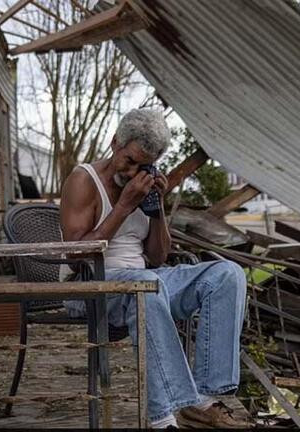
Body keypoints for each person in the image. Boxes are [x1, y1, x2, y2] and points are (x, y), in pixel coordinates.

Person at [60, 109, 249, 428]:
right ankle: (163, 418)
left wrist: (157, 208)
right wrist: (123, 207)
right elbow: (75, 256)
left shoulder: (144, 188)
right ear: (115, 143)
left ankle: (201, 401)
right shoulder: (83, 180)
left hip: (145, 281)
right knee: (146, 285)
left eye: (143, 166)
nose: (133, 171)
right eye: (130, 160)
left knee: (227, 274)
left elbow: (158, 257)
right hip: (90, 286)